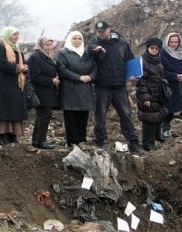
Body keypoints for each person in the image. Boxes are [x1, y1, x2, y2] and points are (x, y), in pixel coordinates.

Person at [88, 20, 144, 153]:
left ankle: (133, 143)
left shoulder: (122, 44)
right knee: (100, 115)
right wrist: (95, 53)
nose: (101, 34)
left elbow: (130, 61)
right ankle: (100, 141)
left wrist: (133, 76)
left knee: (126, 114)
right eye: (98, 32)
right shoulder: (93, 45)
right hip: (102, 86)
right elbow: (87, 61)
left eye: (103, 31)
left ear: (109, 29)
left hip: (119, 86)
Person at [56, 31, 96, 147]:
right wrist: (79, 77)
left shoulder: (87, 54)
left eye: (79, 39)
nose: (77, 41)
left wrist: (90, 76)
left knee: (83, 117)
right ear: (70, 40)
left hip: (85, 89)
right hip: (70, 90)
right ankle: (72, 142)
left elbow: (95, 68)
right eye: (75, 38)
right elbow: (62, 70)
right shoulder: (63, 53)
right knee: (71, 118)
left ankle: (82, 140)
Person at [27, 36, 60, 149]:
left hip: (47, 91)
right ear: (41, 45)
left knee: (42, 115)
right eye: (46, 45)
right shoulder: (35, 57)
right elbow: (35, 77)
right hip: (40, 91)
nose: (48, 47)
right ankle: (40, 141)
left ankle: (37, 140)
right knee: (45, 114)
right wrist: (51, 81)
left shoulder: (46, 56)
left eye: (50, 45)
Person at [136, 38, 168, 151]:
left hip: (158, 94)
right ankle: (148, 144)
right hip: (148, 94)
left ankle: (157, 136)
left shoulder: (158, 60)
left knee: (158, 116)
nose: (154, 50)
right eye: (152, 48)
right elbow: (141, 82)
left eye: (156, 48)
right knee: (149, 118)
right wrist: (145, 98)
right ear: (147, 48)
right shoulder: (142, 61)